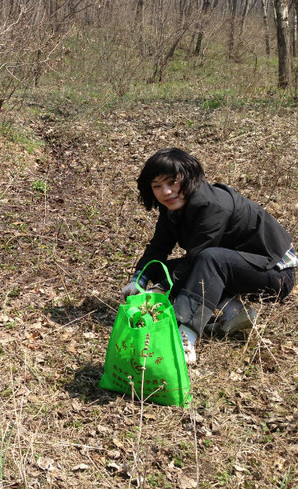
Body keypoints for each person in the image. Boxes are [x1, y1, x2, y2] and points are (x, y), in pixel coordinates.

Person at [120, 148, 296, 364]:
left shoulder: (212, 205)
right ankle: (234, 311)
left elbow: (197, 257)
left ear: (190, 178)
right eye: (157, 186)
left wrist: (161, 288)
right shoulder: (173, 208)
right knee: (160, 268)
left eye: (172, 182)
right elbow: (159, 245)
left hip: (275, 274)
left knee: (209, 259)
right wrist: (139, 280)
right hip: (237, 266)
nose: (166, 192)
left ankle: (186, 338)